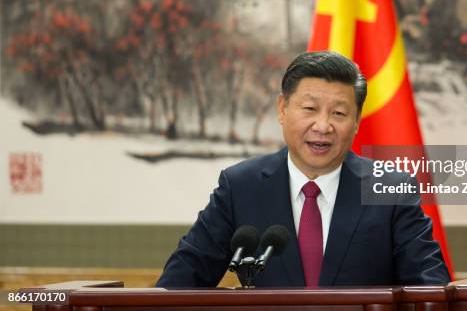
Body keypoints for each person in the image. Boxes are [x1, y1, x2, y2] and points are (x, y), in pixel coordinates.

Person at [156, 51, 450, 287]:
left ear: (357, 121)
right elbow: (181, 281)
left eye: (338, 113)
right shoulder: (241, 186)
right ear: (282, 109)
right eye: (309, 109)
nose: (323, 126)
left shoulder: (391, 189)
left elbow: (431, 286)